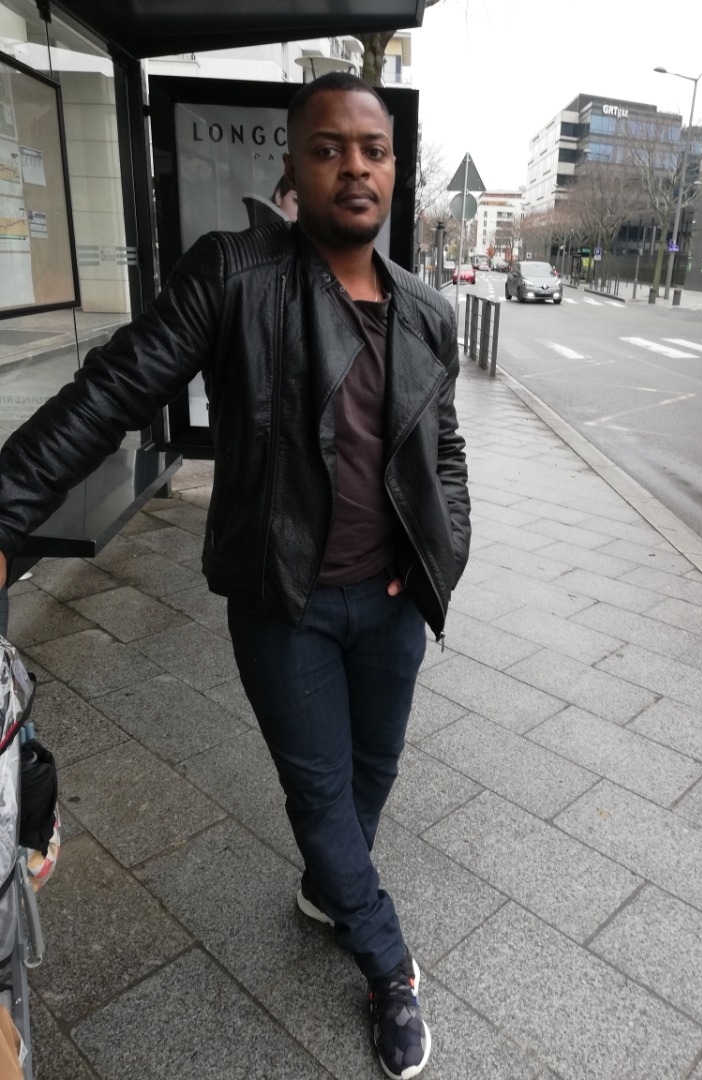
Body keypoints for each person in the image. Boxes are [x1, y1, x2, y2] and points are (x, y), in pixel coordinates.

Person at [0, 72, 470, 1080]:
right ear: (293, 165)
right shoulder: (234, 275)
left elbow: (445, 453)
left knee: (371, 776)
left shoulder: (428, 313)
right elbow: (112, 390)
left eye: (374, 151)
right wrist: (5, 508)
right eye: (329, 148)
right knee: (320, 791)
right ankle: (387, 964)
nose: (354, 167)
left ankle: (332, 888)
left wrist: (445, 556)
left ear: (396, 170)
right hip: (283, 602)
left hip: (393, 604)